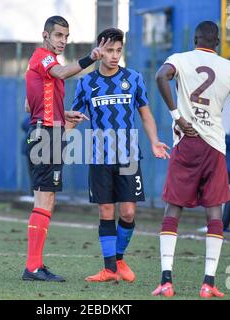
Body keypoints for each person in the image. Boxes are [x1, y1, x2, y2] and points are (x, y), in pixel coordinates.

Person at [153, 21, 230, 298]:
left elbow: (161, 77)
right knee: (214, 213)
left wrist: (176, 117)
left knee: (173, 210)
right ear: (217, 42)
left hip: (186, 142)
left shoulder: (180, 59)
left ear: (195, 39)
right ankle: (208, 283)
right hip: (214, 147)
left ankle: (166, 281)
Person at [68, 28, 170, 283]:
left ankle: (119, 258)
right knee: (105, 211)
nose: (114, 56)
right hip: (99, 157)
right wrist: (57, 138)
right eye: (109, 51)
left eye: (118, 51)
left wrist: (155, 141)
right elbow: (73, 118)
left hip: (128, 156)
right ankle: (109, 269)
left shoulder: (133, 78)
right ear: (99, 50)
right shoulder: (86, 82)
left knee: (127, 213)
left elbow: (145, 114)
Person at [22, 16, 109, 282]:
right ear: (45, 35)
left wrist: (63, 113)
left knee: (46, 199)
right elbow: (61, 73)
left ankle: (35, 265)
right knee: (45, 200)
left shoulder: (44, 65)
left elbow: (29, 105)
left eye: (66, 36)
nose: (62, 41)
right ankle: (33, 267)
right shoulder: (44, 58)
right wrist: (91, 57)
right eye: (58, 35)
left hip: (48, 131)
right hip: (45, 135)